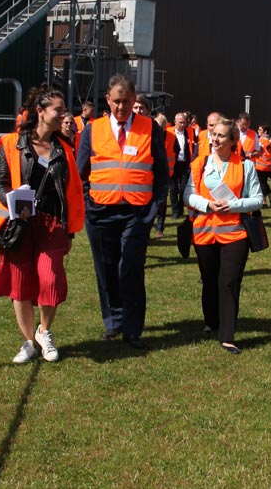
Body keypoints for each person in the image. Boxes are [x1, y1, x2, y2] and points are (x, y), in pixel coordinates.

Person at [0, 87, 85, 363]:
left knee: (50, 279)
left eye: (63, 110)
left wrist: (70, 230)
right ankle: (27, 342)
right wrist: (12, 202)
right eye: (58, 110)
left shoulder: (64, 148)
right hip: (20, 225)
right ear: (40, 112)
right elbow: (0, 182)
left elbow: (71, 191)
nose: (63, 115)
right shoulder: (11, 143)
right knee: (21, 284)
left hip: (52, 225)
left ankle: (44, 331)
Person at [76, 74, 169, 348]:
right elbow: (80, 171)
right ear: (108, 100)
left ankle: (132, 328)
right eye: (116, 102)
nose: (121, 107)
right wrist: (87, 204)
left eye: (126, 101)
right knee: (105, 270)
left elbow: (161, 173)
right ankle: (113, 322)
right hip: (100, 212)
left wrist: (154, 208)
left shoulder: (150, 128)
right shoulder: (93, 130)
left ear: (134, 99)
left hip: (136, 214)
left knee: (130, 268)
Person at [184, 118, 263, 354]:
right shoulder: (200, 163)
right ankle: (211, 321)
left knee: (228, 282)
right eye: (214, 134)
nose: (215, 139)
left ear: (233, 141)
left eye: (221, 136)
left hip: (235, 233)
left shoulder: (245, 166)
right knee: (209, 280)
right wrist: (208, 205)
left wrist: (233, 205)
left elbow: (257, 199)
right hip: (204, 232)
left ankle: (227, 335)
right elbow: (188, 194)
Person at [168, 112, 194, 219]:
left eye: (184, 122)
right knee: (173, 189)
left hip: (185, 164)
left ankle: (180, 208)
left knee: (183, 189)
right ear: (175, 122)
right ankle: (175, 211)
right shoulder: (169, 132)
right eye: (180, 123)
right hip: (172, 164)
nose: (182, 125)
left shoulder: (190, 132)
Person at [254, 124, 271, 207]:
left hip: (261, 165)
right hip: (269, 165)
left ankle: (264, 202)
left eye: (260, 130)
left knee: (261, 184)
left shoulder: (261, 140)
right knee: (265, 183)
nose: (258, 131)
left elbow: (257, 150)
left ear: (265, 131)